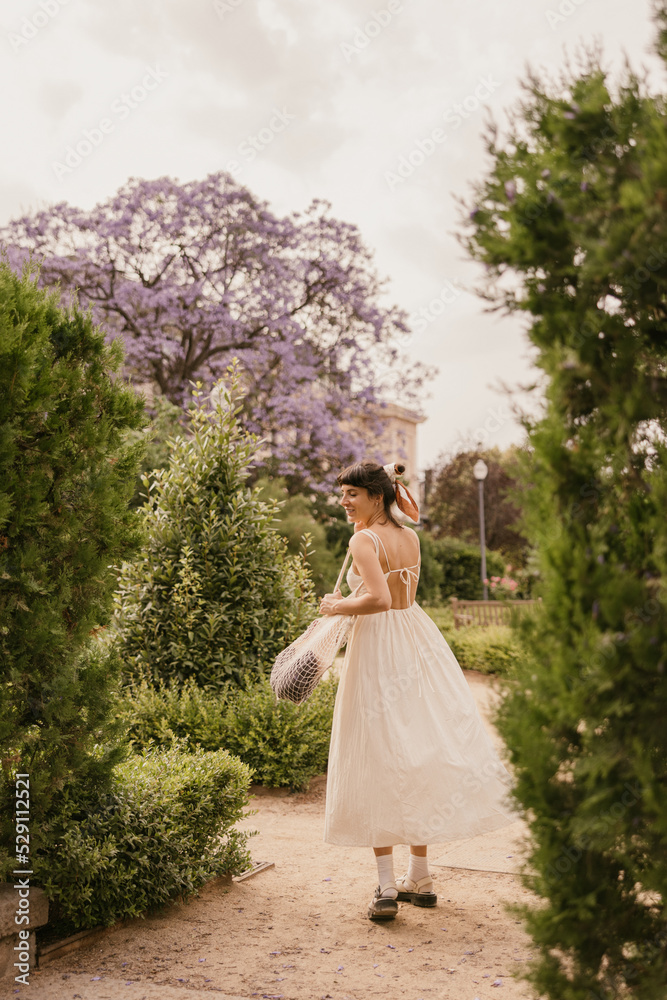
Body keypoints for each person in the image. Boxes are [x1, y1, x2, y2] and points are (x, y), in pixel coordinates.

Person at [319, 460, 518, 920]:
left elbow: (378, 600)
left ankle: (387, 887)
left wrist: (336, 605)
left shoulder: (363, 540)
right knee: (418, 749)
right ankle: (421, 876)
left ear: (376, 495)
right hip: (418, 641)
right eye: (342, 494)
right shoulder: (410, 537)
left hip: (380, 650)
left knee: (377, 754)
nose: (345, 502)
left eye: (352, 494)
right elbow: (400, 597)